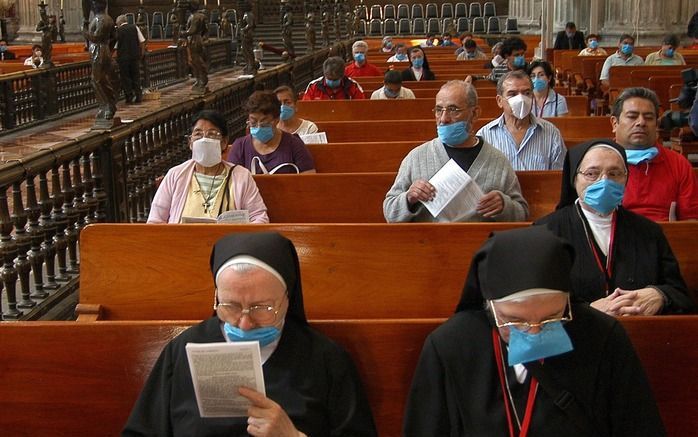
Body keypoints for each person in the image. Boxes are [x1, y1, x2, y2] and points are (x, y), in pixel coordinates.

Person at [403, 226, 666, 436]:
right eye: (514, 321)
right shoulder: (450, 345)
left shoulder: (603, 336)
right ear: (490, 306)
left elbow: (638, 426)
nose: (534, 331)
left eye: (552, 317)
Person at [123, 232, 378, 436]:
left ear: (287, 299)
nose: (244, 323)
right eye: (230, 306)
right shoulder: (183, 350)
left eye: (261, 308)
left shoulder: (325, 359)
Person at [535, 139, 695, 315]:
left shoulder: (649, 232)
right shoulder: (545, 232)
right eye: (591, 174)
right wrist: (588, 313)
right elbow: (535, 304)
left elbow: (680, 294)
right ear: (574, 179)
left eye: (614, 173)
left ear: (626, 178)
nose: (604, 182)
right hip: (577, 339)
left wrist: (660, 295)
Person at [383, 80, 528, 223]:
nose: (444, 119)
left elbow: (522, 213)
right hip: (428, 243)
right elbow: (390, 212)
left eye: (453, 110)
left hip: (480, 244)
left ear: (475, 113)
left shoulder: (497, 160)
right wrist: (409, 198)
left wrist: (504, 206)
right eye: (439, 110)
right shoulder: (417, 157)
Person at [148, 110, 269, 223]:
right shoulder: (175, 175)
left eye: (212, 134)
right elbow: (155, 221)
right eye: (198, 134)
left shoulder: (241, 176)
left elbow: (259, 217)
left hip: (229, 244)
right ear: (190, 142)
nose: (204, 140)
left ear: (224, 142)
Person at [610, 87, 698, 220]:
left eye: (649, 117)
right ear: (614, 123)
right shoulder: (598, 162)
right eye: (632, 116)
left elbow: (691, 221)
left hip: (666, 237)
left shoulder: (678, 164)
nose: (641, 122)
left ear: (656, 124)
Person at [476, 70, 566, 170]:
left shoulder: (551, 133)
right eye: (512, 94)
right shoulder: (485, 135)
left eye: (526, 93)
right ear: (500, 101)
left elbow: (559, 177)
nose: (521, 99)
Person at [229, 91, 316, 174]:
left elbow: (308, 178)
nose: (258, 127)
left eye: (264, 123)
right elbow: (233, 182)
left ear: (277, 120)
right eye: (253, 122)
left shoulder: (294, 144)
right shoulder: (240, 146)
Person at [115, 14, 145, 104]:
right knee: (136, 76)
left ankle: (129, 97)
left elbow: (115, 46)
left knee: (126, 78)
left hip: (123, 58)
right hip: (135, 56)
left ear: (119, 23)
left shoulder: (118, 31)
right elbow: (142, 41)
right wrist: (141, 53)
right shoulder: (134, 27)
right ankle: (138, 96)